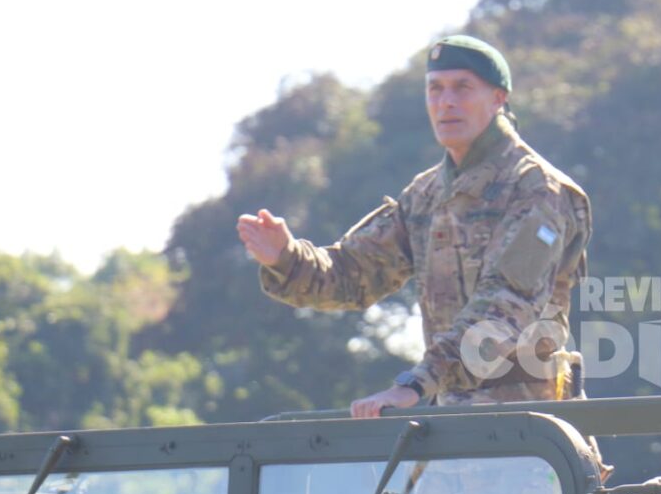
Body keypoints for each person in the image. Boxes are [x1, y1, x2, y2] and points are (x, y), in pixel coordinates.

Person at [237, 34, 592, 416]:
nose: (447, 102)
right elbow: (355, 274)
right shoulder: (425, 195)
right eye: (435, 89)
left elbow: (504, 307)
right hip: (448, 429)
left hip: (531, 433)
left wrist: (417, 383)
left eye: (463, 87)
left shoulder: (538, 188)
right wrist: (287, 259)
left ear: (499, 98)